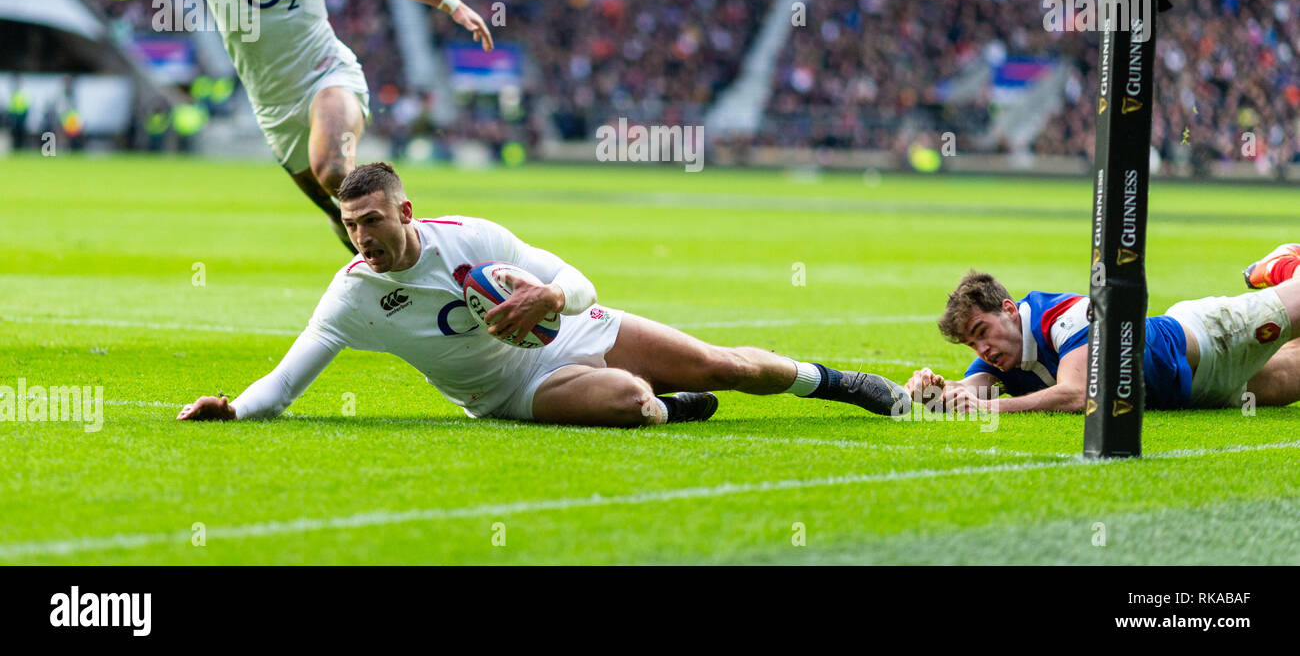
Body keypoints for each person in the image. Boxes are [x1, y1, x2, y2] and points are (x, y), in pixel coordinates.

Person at [178, 162, 911, 427]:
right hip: (512, 394)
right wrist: (235, 407)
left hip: (575, 330)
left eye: (371, 221)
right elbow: (285, 383)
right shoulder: (352, 297)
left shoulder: (469, 234)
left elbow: (582, 281)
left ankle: (836, 380)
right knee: (633, 401)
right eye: (349, 225)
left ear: (404, 212)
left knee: (727, 366)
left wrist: (550, 301)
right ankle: (668, 406)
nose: (360, 237)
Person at [47, 0, 493, 252]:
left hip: (328, 74)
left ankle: (435, 254)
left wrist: (448, 3)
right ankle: (393, 284)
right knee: (342, 217)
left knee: (335, 171)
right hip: (272, 105)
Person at [905, 247, 1300, 414]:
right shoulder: (1002, 355)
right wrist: (935, 391)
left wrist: (989, 408)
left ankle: (1286, 268)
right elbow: (972, 391)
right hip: (1198, 392)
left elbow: (1080, 394)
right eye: (972, 344)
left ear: (1009, 310)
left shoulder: (1065, 316)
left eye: (981, 332)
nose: (982, 350)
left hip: (1213, 339)